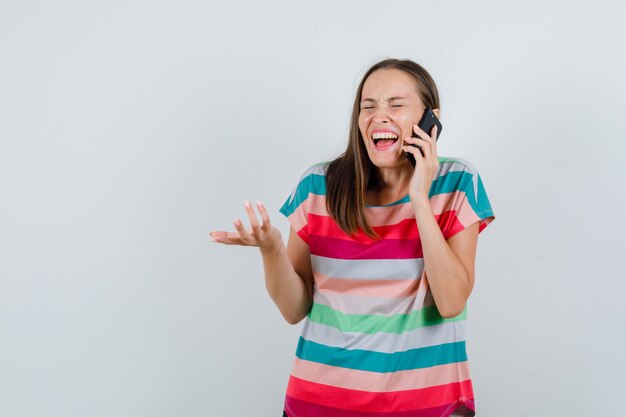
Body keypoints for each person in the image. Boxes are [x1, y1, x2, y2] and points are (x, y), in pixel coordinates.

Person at [210, 58, 495, 417]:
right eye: (368, 106)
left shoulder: (457, 183)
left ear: (430, 119)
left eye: (396, 104)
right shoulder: (318, 186)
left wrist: (420, 198)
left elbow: (451, 301)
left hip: (428, 408)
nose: (379, 116)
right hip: (318, 404)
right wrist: (272, 249)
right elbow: (294, 309)